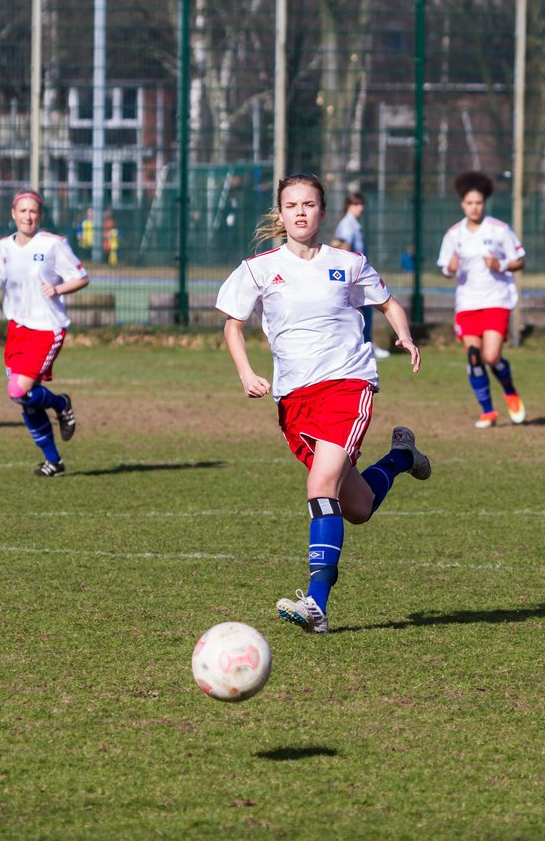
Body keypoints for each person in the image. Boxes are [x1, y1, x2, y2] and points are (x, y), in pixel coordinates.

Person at [216, 173, 432, 635]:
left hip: (347, 385)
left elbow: (389, 304)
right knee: (358, 507)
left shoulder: (348, 263)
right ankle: (400, 457)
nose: (300, 212)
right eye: (291, 204)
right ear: (280, 213)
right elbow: (233, 325)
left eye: (309, 204)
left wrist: (404, 335)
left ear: (322, 211)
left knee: (320, 485)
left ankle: (316, 602)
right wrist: (247, 373)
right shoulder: (258, 268)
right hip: (295, 397)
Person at [0, 190, 90, 476]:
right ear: (13, 214)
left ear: (39, 216)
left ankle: (61, 403)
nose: (28, 216)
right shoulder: (2, 248)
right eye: (23, 211)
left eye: (33, 212)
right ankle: (53, 461)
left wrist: (58, 289)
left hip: (46, 328)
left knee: (18, 390)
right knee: (25, 401)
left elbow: (81, 277)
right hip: (17, 329)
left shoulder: (53, 244)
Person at [436, 171, 527, 428]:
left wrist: (502, 264)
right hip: (467, 304)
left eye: (478, 202)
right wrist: (450, 269)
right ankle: (488, 411)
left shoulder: (499, 230)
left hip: (496, 300)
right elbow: (445, 268)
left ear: (484, 203)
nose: (474, 207)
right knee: (474, 357)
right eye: (469, 203)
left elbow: (520, 260)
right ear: (462, 204)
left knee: (491, 355)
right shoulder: (454, 234)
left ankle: (509, 390)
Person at [333, 191, 391, 360]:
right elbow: (341, 245)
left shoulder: (353, 223)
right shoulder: (348, 224)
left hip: (357, 272)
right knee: (362, 310)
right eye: (357, 204)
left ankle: (366, 343)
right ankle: (365, 344)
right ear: (349, 206)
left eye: (361, 204)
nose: (361, 208)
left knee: (365, 310)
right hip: (353, 274)